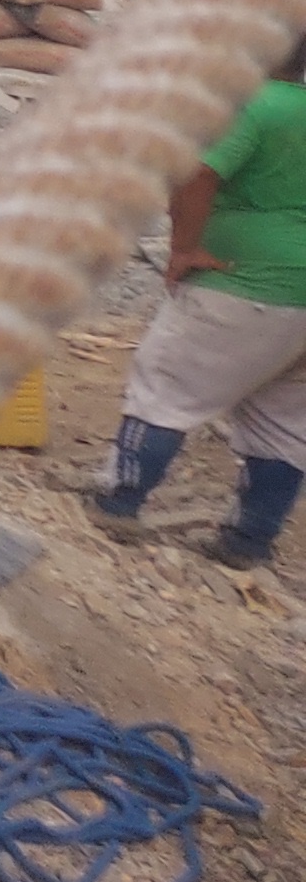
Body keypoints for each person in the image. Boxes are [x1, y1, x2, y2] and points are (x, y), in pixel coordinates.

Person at [94, 31, 306, 565]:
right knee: (285, 423)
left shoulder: (249, 105)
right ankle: (249, 541)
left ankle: (118, 502)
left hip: (244, 283)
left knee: (167, 389)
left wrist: (184, 248)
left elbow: (195, 172)